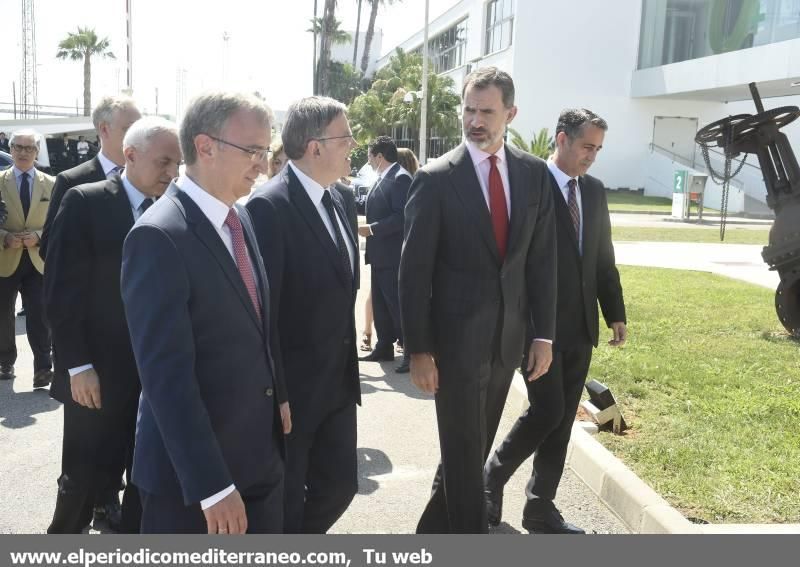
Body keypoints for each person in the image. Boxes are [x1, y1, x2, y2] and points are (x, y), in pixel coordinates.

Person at [121, 92, 290, 534]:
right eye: (251, 150)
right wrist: (212, 487)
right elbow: (166, 378)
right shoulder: (159, 236)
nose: (261, 161)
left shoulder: (240, 218)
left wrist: (280, 395)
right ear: (205, 146)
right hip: (194, 485)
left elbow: (258, 323)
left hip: (258, 459)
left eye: (264, 150)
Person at [399, 67, 557, 533]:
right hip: (453, 350)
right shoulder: (435, 179)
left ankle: (429, 536)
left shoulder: (532, 174)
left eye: (486, 111)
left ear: (511, 113)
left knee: (469, 450)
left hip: (507, 344)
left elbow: (541, 262)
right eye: (468, 109)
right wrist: (419, 350)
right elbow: (413, 274)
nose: (475, 121)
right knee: (466, 456)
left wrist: (542, 336)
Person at [484, 108, 627, 534]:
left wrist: (614, 312)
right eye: (587, 146)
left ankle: (539, 507)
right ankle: (492, 477)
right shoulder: (528, 183)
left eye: (598, 149)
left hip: (580, 326)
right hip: (535, 328)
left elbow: (603, 257)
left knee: (563, 420)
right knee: (547, 410)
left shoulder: (595, 191)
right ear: (562, 139)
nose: (592, 157)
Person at [43, 117, 182, 534]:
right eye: (163, 162)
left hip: (152, 373)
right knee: (83, 478)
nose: (171, 173)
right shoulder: (86, 202)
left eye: (176, 163)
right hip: (97, 373)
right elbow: (61, 293)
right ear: (131, 155)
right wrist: (77, 365)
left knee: (144, 476)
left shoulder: (173, 209)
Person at [247, 96, 360, 534]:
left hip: (338, 383)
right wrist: (277, 391)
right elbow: (263, 311)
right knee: (287, 501)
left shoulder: (342, 199)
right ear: (314, 147)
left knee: (340, 488)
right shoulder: (268, 207)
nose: (353, 144)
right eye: (345, 136)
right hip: (292, 390)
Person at [42, 95, 142, 529]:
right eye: (128, 129)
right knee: (82, 458)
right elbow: (55, 254)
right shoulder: (75, 184)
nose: (135, 138)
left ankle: (109, 500)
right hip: (89, 343)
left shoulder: (154, 187)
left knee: (124, 446)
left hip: (130, 350)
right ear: (104, 130)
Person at [40, 96, 142, 260]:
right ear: (104, 129)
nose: (139, 137)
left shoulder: (153, 178)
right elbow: (50, 248)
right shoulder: (71, 181)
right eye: (130, 129)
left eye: (142, 130)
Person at [0, 130, 54, 388]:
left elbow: (59, 221)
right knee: (3, 315)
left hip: (38, 259)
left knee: (40, 315)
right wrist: (4, 237)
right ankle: (5, 362)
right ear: (10, 150)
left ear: (36, 151)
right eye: (18, 147)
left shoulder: (51, 184)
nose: (23, 152)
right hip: (5, 256)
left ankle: (43, 368)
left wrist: (39, 235)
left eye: (29, 148)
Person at [358, 136, 412, 373]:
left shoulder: (400, 178)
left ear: (379, 156)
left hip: (392, 256)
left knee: (397, 304)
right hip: (379, 255)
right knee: (381, 304)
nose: (368, 161)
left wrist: (371, 229)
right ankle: (384, 346)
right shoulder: (384, 177)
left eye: (370, 156)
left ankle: (411, 350)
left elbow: (402, 217)